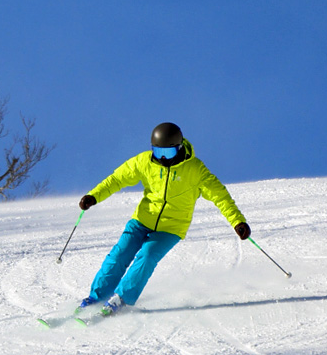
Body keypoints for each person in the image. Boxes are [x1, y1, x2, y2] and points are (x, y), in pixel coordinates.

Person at [77, 122, 251, 316]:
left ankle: (121, 299)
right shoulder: (144, 161)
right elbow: (117, 179)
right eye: (157, 152)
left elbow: (220, 196)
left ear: (179, 148)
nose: (161, 158)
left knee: (148, 255)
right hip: (142, 220)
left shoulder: (195, 170)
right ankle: (96, 297)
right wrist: (94, 196)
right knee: (119, 254)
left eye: (167, 154)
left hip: (171, 227)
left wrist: (238, 221)